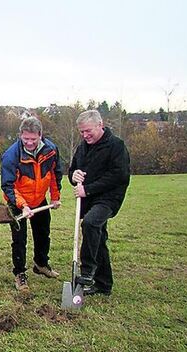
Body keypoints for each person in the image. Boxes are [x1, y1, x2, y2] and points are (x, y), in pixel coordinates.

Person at [70, 109, 130, 296]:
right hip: (89, 200)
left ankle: (87, 271)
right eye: (82, 132)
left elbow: (118, 175)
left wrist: (87, 189)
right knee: (98, 237)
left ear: (100, 125)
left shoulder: (116, 146)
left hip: (109, 198)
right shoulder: (82, 147)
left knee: (90, 223)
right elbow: (73, 170)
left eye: (89, 131)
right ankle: (104, 285)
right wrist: (73, 175)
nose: (85, 135)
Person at [1, 116, 62, 291]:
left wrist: (55, 197)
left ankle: (41, 264)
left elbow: (55, 174)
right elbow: (8, 186)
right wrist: (23, 205)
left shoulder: (50, 150)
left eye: (33, 139)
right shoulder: (11, 155)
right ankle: (20, 273)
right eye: (25, 138)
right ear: (20, 135)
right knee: (19, 239)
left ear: (40, 135)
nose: (29, 142)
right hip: (17, 201)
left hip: (39, 198)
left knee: (43, 233)